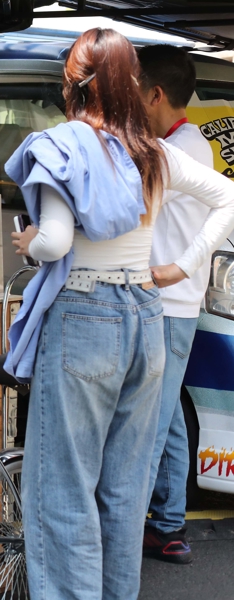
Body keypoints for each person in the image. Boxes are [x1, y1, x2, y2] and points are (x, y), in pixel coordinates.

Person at [5, 29, 234, 599]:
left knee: (64, 488)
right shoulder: (154, 150)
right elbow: (227, 198)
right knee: (125, 490)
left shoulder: (64, 146)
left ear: (74, 82)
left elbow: (56, 242)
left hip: (85, 310)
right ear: (132, 82)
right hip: (147, 311)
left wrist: (29, 241)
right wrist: (183, 267)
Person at [138, 44, 215, 565]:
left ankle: (131, 533)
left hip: (165, 305)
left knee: (148, 424)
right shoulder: (189, 143)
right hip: (176, 304)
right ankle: (168, 527)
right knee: (165, 420)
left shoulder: (173, 152)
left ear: (155, 95)